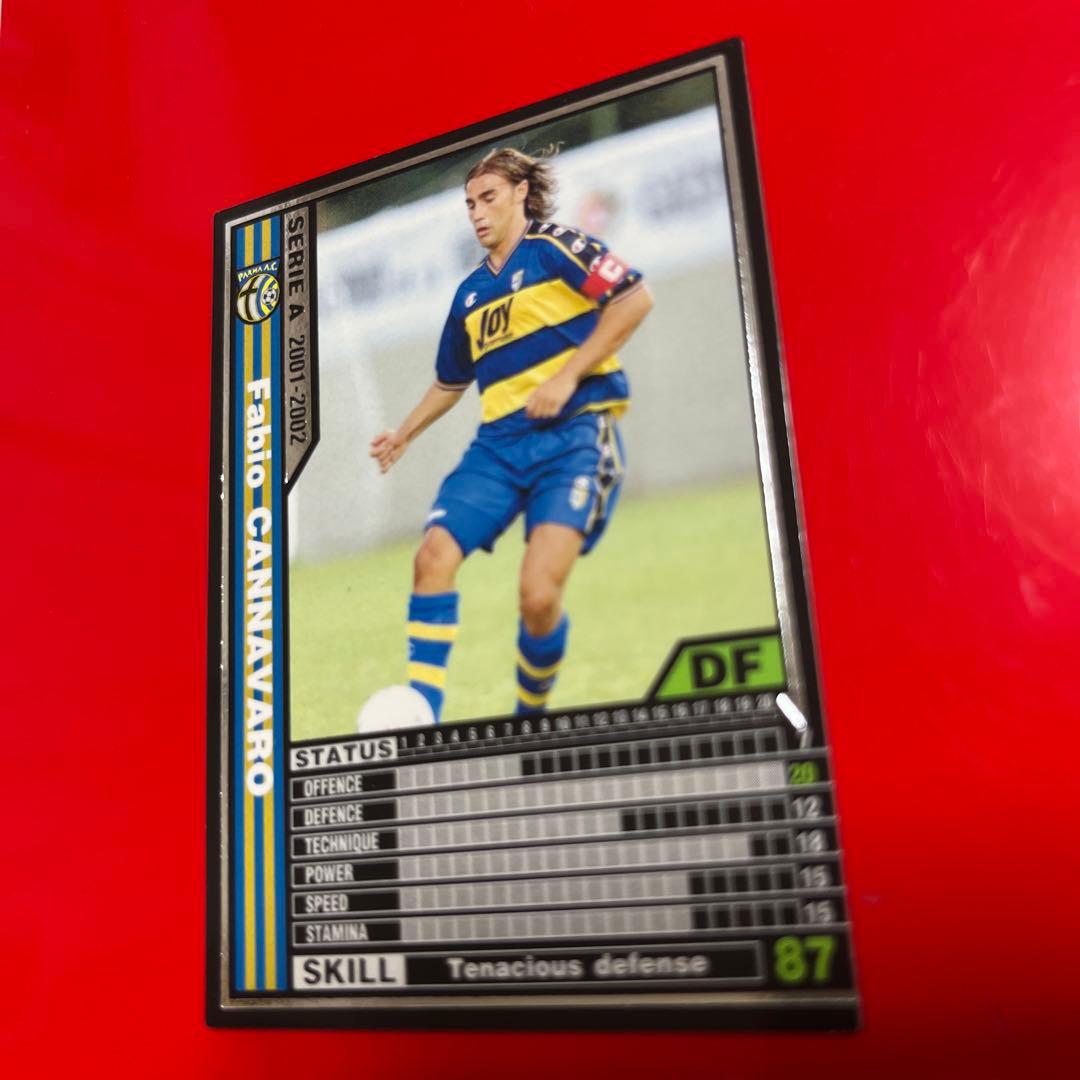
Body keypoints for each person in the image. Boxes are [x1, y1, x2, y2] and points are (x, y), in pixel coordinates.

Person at [370, 147, 653, 722]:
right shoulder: (470, 294)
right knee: (432, 557)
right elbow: (450, 382)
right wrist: (404, 433)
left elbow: (633, 298)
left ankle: (530, 717)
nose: (477, 212)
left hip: (574, 439)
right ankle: (423, 715)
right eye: (469, 204)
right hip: (498, 450)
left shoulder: (557, 247)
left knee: (538, 597)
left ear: (521, 192)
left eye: (488, 198)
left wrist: (567, 377)